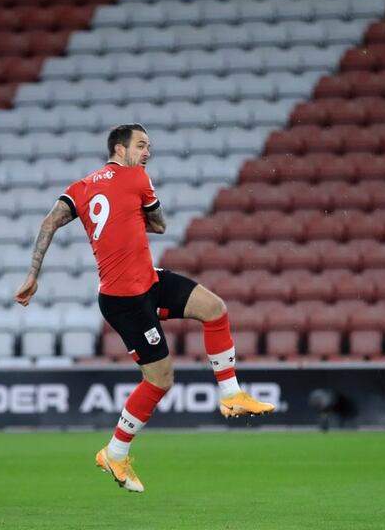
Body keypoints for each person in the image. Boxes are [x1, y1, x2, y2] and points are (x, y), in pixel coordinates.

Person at [14, 123, 275, 493]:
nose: (147, 151)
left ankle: (232, 395)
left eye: (149, 146)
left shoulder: (81, 188)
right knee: (161, 379)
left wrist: (32, 274)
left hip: (148, 281)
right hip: (125, 300)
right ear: (119, 150)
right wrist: (139, 211)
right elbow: (161, 225)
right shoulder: (137, 178)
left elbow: (49, 223)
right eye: (141, 145)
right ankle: (115, 453)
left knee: (214, 308)